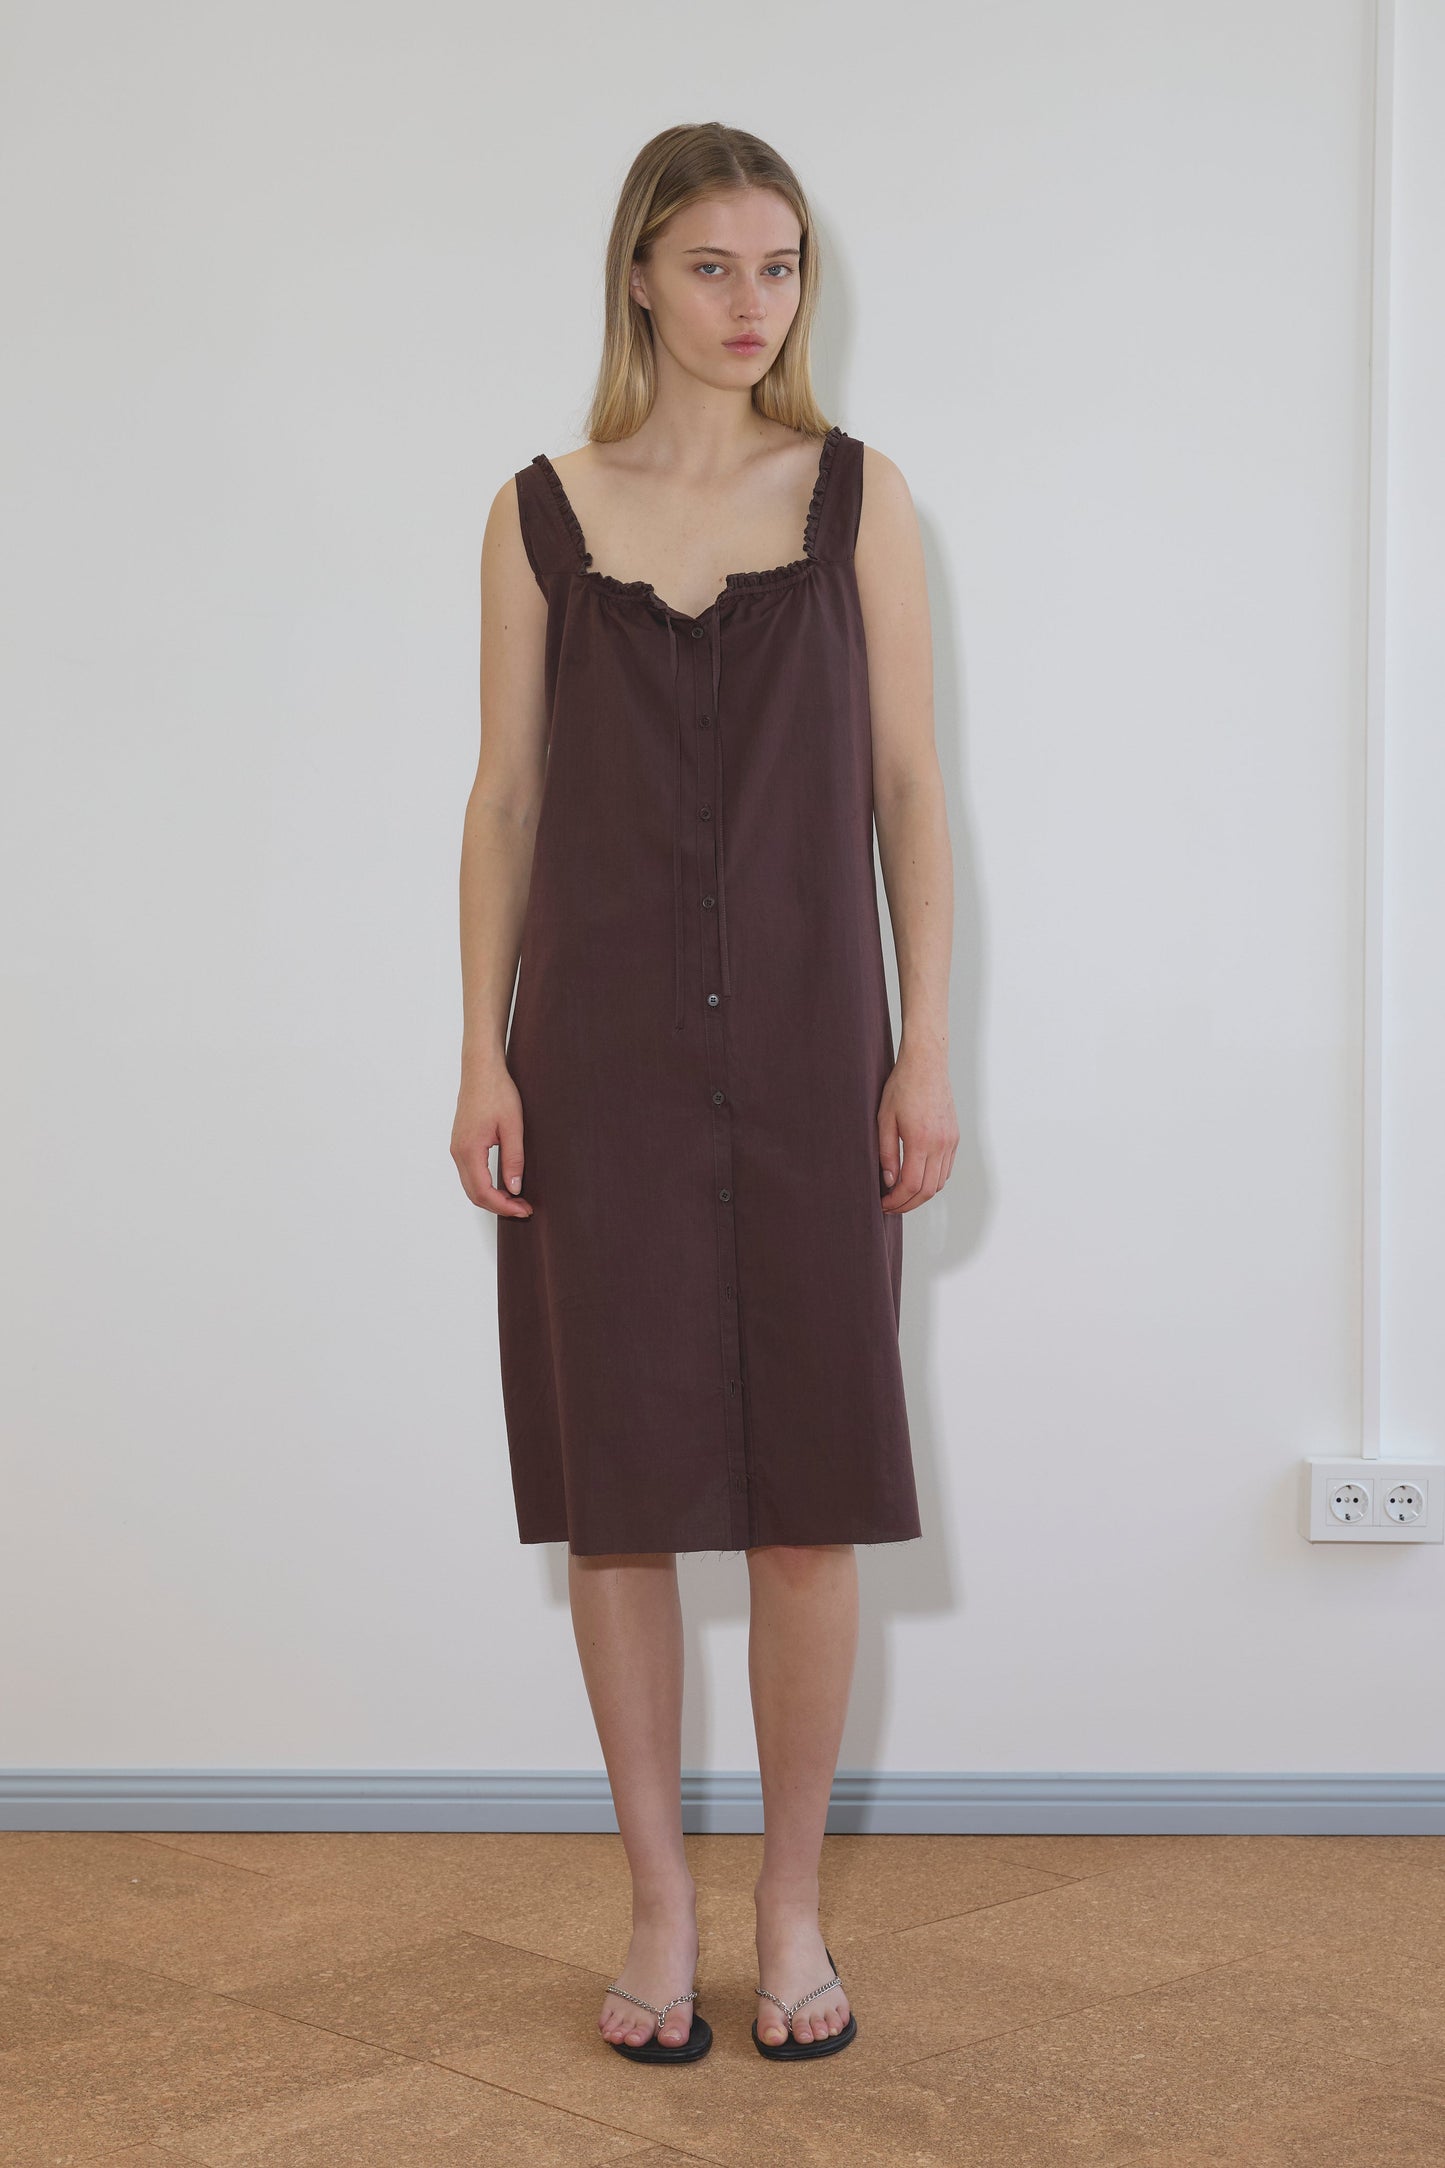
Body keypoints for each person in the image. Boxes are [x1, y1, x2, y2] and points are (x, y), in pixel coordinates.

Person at [451, 121, 957, 2064]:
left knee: (813, 1506)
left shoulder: (861, 498)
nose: (754, 306)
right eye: (715, 268)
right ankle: (661, 1907)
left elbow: (909, 788)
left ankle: (794, 1907)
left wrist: (924, 1043)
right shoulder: (537, 510)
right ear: (640, 278)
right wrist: (479, 1042)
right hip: (609, 1052)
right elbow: (501, 798)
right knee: (626, 1505)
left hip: (822, 1048)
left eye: (782, 269)